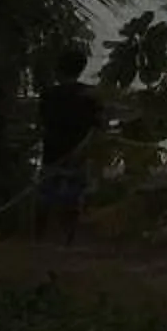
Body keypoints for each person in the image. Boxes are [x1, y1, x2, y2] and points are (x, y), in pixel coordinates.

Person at [34, 41, 103, 242]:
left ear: (58, 69)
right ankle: (68, 239)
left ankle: (39, 237)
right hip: (79, 153)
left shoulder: (49, 95)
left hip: (52, 152)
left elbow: (43, 122)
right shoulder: (90, 95)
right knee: (73, 199)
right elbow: (98, 125)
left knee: (45, 198)